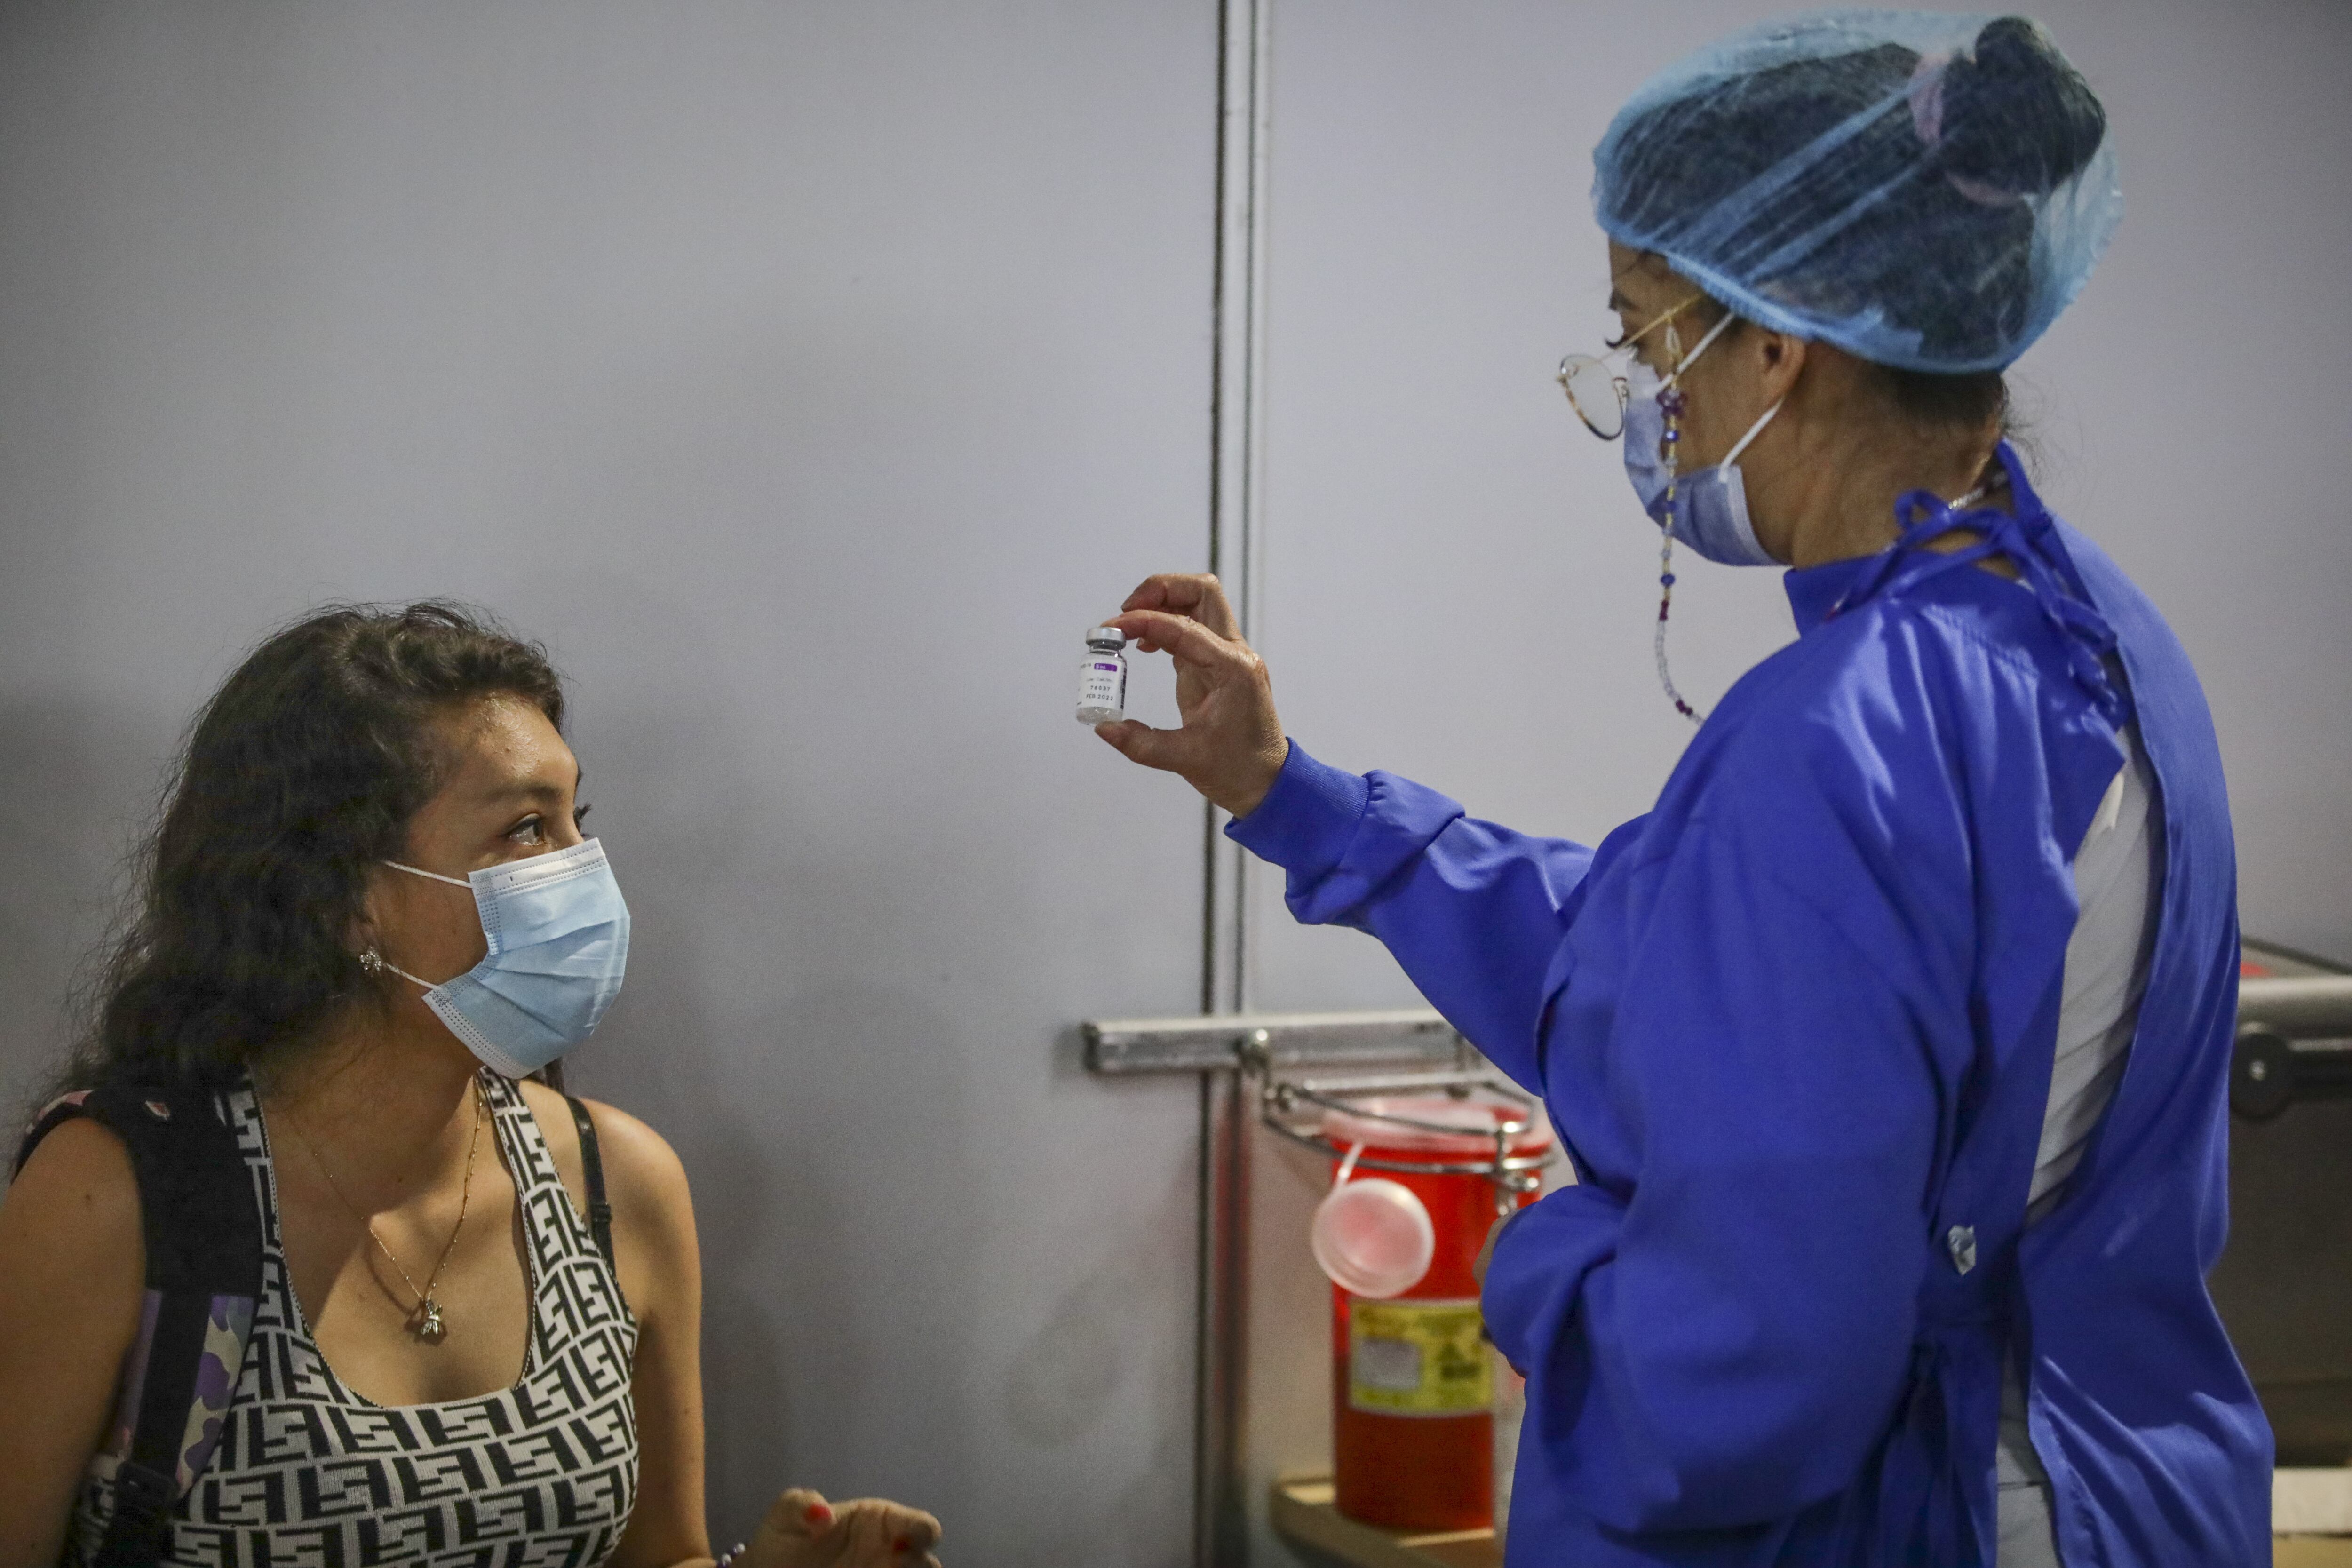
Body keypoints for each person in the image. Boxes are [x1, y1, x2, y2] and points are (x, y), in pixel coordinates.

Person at [1095, 12, 2268, 1566]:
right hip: (2131, 1489)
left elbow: (1736, 1384)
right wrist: (1294, 794)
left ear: (1778, 344)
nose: (1645, 403)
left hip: (1916, 1513)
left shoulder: (1838, 734)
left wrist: (1547, 1266)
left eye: (1648, 341)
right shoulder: (2091, 637)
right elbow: (1673, 970)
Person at [0, 604, 944, 1568]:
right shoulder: (121, 1191)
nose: (582, 870)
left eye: (579, 820)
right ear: (344, 898)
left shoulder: (615, 1179)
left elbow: (660, 1555)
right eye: (526, 828)